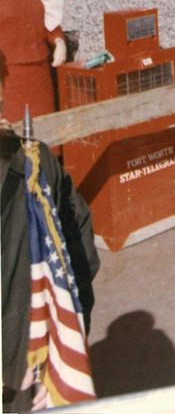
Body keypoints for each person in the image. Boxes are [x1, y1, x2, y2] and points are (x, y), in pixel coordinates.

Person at [2, 119, 99, 411]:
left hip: (34, 363)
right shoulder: (34, 156)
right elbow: (81, 257)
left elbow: (78, 251)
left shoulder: (34, 159)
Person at [0, 0, 67, 123]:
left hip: (41, 74)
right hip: (10, 78)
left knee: (46, 141)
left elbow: (48, 20)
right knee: (18, 143)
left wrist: (59, 41)